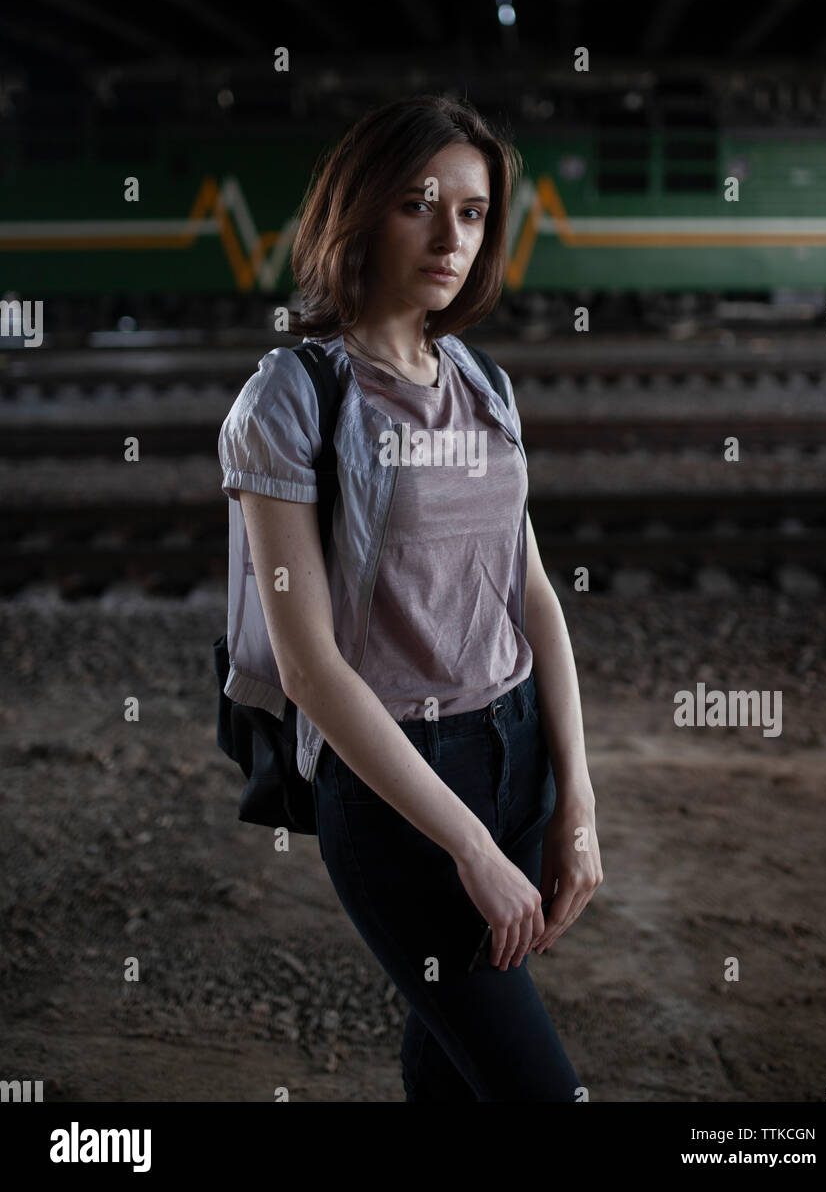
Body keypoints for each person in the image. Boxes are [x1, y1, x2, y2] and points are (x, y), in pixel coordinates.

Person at [219, 93, 602, 1101]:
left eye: (473, 213)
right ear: (358, 210)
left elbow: (531, 593)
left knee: (449, 1058)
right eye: (420, 204)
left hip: (518, 762)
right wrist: (468, 847)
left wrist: (577, 802)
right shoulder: (293, 397)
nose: (450, 237)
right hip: (399, 798)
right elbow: (307, 666)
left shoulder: (483, 384)